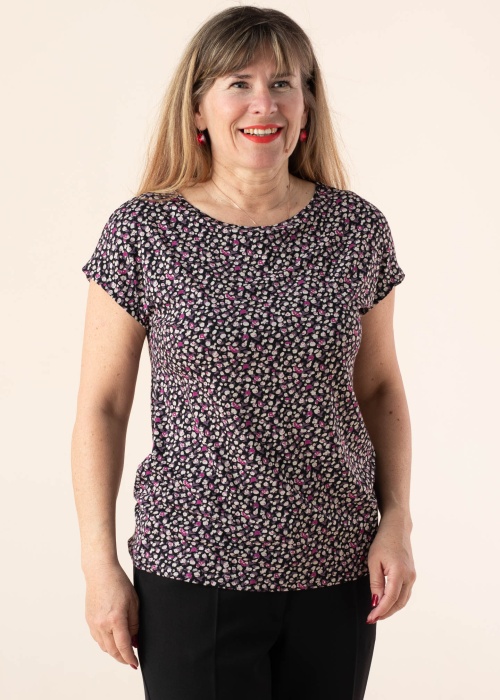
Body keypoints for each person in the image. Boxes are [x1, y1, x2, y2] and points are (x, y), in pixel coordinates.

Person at [71, 6, 416, 699]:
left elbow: (380, 389)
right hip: (191, 567)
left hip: (336, 567)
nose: (265, 104)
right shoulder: (144, 232)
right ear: (198, 107)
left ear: (307, 105)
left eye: (284, 83)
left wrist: (397, 522)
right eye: (239, 83)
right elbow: (102, 407)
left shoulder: (356, 229)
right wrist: (99, 565)